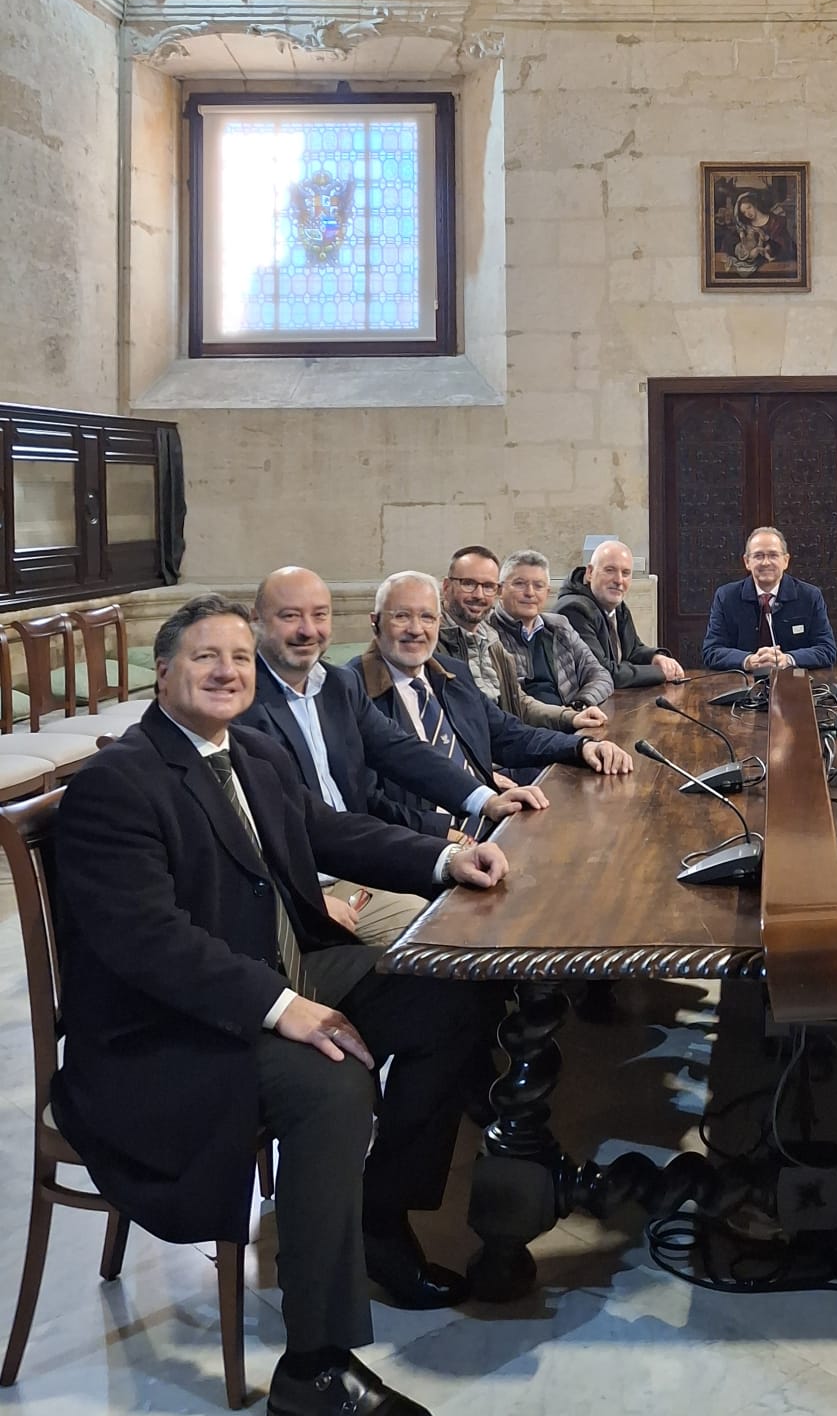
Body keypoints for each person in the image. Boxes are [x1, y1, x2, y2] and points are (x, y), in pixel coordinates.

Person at [51, 594, 511, 1416]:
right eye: (205, 657)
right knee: (331, 1083)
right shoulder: (117, 783)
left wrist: (445, 861)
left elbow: (332, 833)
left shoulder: (254, 753)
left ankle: (378, 1219)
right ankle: (313, 1369)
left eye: (238, 656)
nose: (227, 671)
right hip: (167, 1031)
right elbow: (148, 941)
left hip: (277, 975)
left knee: (449, 997)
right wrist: (280, 1005)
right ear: (162, 673)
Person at [245, 565, 537, 944]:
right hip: (306, 879)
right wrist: (303, 896)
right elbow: (257, 828)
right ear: (256, 620)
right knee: (446, 934)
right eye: (290, 616)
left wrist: (485, 800)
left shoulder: (337, 684)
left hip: (359, 855)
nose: (308, 630)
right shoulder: (240, 702)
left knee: (513, 891)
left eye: (319, 615)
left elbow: (401, 751)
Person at [354, 573, 630, 814]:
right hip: (425, 840)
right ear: (375, 622)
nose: (416, 629)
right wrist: (448, 835)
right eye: (401, 616)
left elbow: (508, 735)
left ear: (438, 622)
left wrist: (581, 747)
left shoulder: (451, 673)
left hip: (483, 815)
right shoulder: (353, 690)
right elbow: (371, 802)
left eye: (427, 617)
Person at [439, 544, 609, 738]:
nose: (530, 593)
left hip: (533, 736)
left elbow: (519, 703)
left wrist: (574, 713)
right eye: (468, 584)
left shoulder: (492, 640)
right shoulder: (438, 643)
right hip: (515, 741)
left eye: (487, 586)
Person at [489, 551, 615, 712]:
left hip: (571, 719)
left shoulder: (559, 626)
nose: (530, 593)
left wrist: (580, 704)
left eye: (538, 586)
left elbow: (601, 676)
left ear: (547, 593)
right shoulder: (487, 633)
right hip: (522, 724)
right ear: (500, 590)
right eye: (520, 584)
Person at [554, 539, 687, 690]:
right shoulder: (573, 610)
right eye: (610, 570)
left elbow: (633, 651)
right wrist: (659, 672)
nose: (619, 580)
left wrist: (656, 658)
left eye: (625, 573)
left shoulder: (618, 607)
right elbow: (602, 673)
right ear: (590, 573)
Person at [701, 526, 837, 672]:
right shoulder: (726, 597)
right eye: (758, 556)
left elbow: (827, 650)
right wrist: (748, 660)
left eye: (773, 555)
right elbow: (712, 651)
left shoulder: (810, 596)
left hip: (795, 680)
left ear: (785, 561)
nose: (766, 562)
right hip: (741, 682)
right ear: (747, 561)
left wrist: (788, 659)